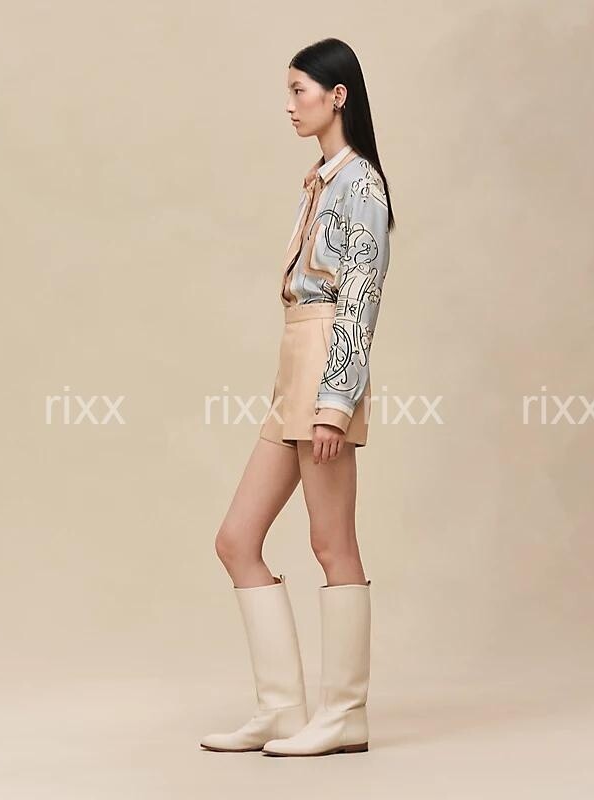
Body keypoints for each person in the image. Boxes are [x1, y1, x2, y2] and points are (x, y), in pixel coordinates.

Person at [200, 37, 395, 758]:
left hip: (325, 367)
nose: (289, 105)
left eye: (299, 90)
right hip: (293, 366)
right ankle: (283, 709)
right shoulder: (320, 181)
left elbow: (359, 301)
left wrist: (334, 405)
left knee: (331, 542)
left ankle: (344, 715)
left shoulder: (361, 185)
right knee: (236, 540)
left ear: (337, 95)